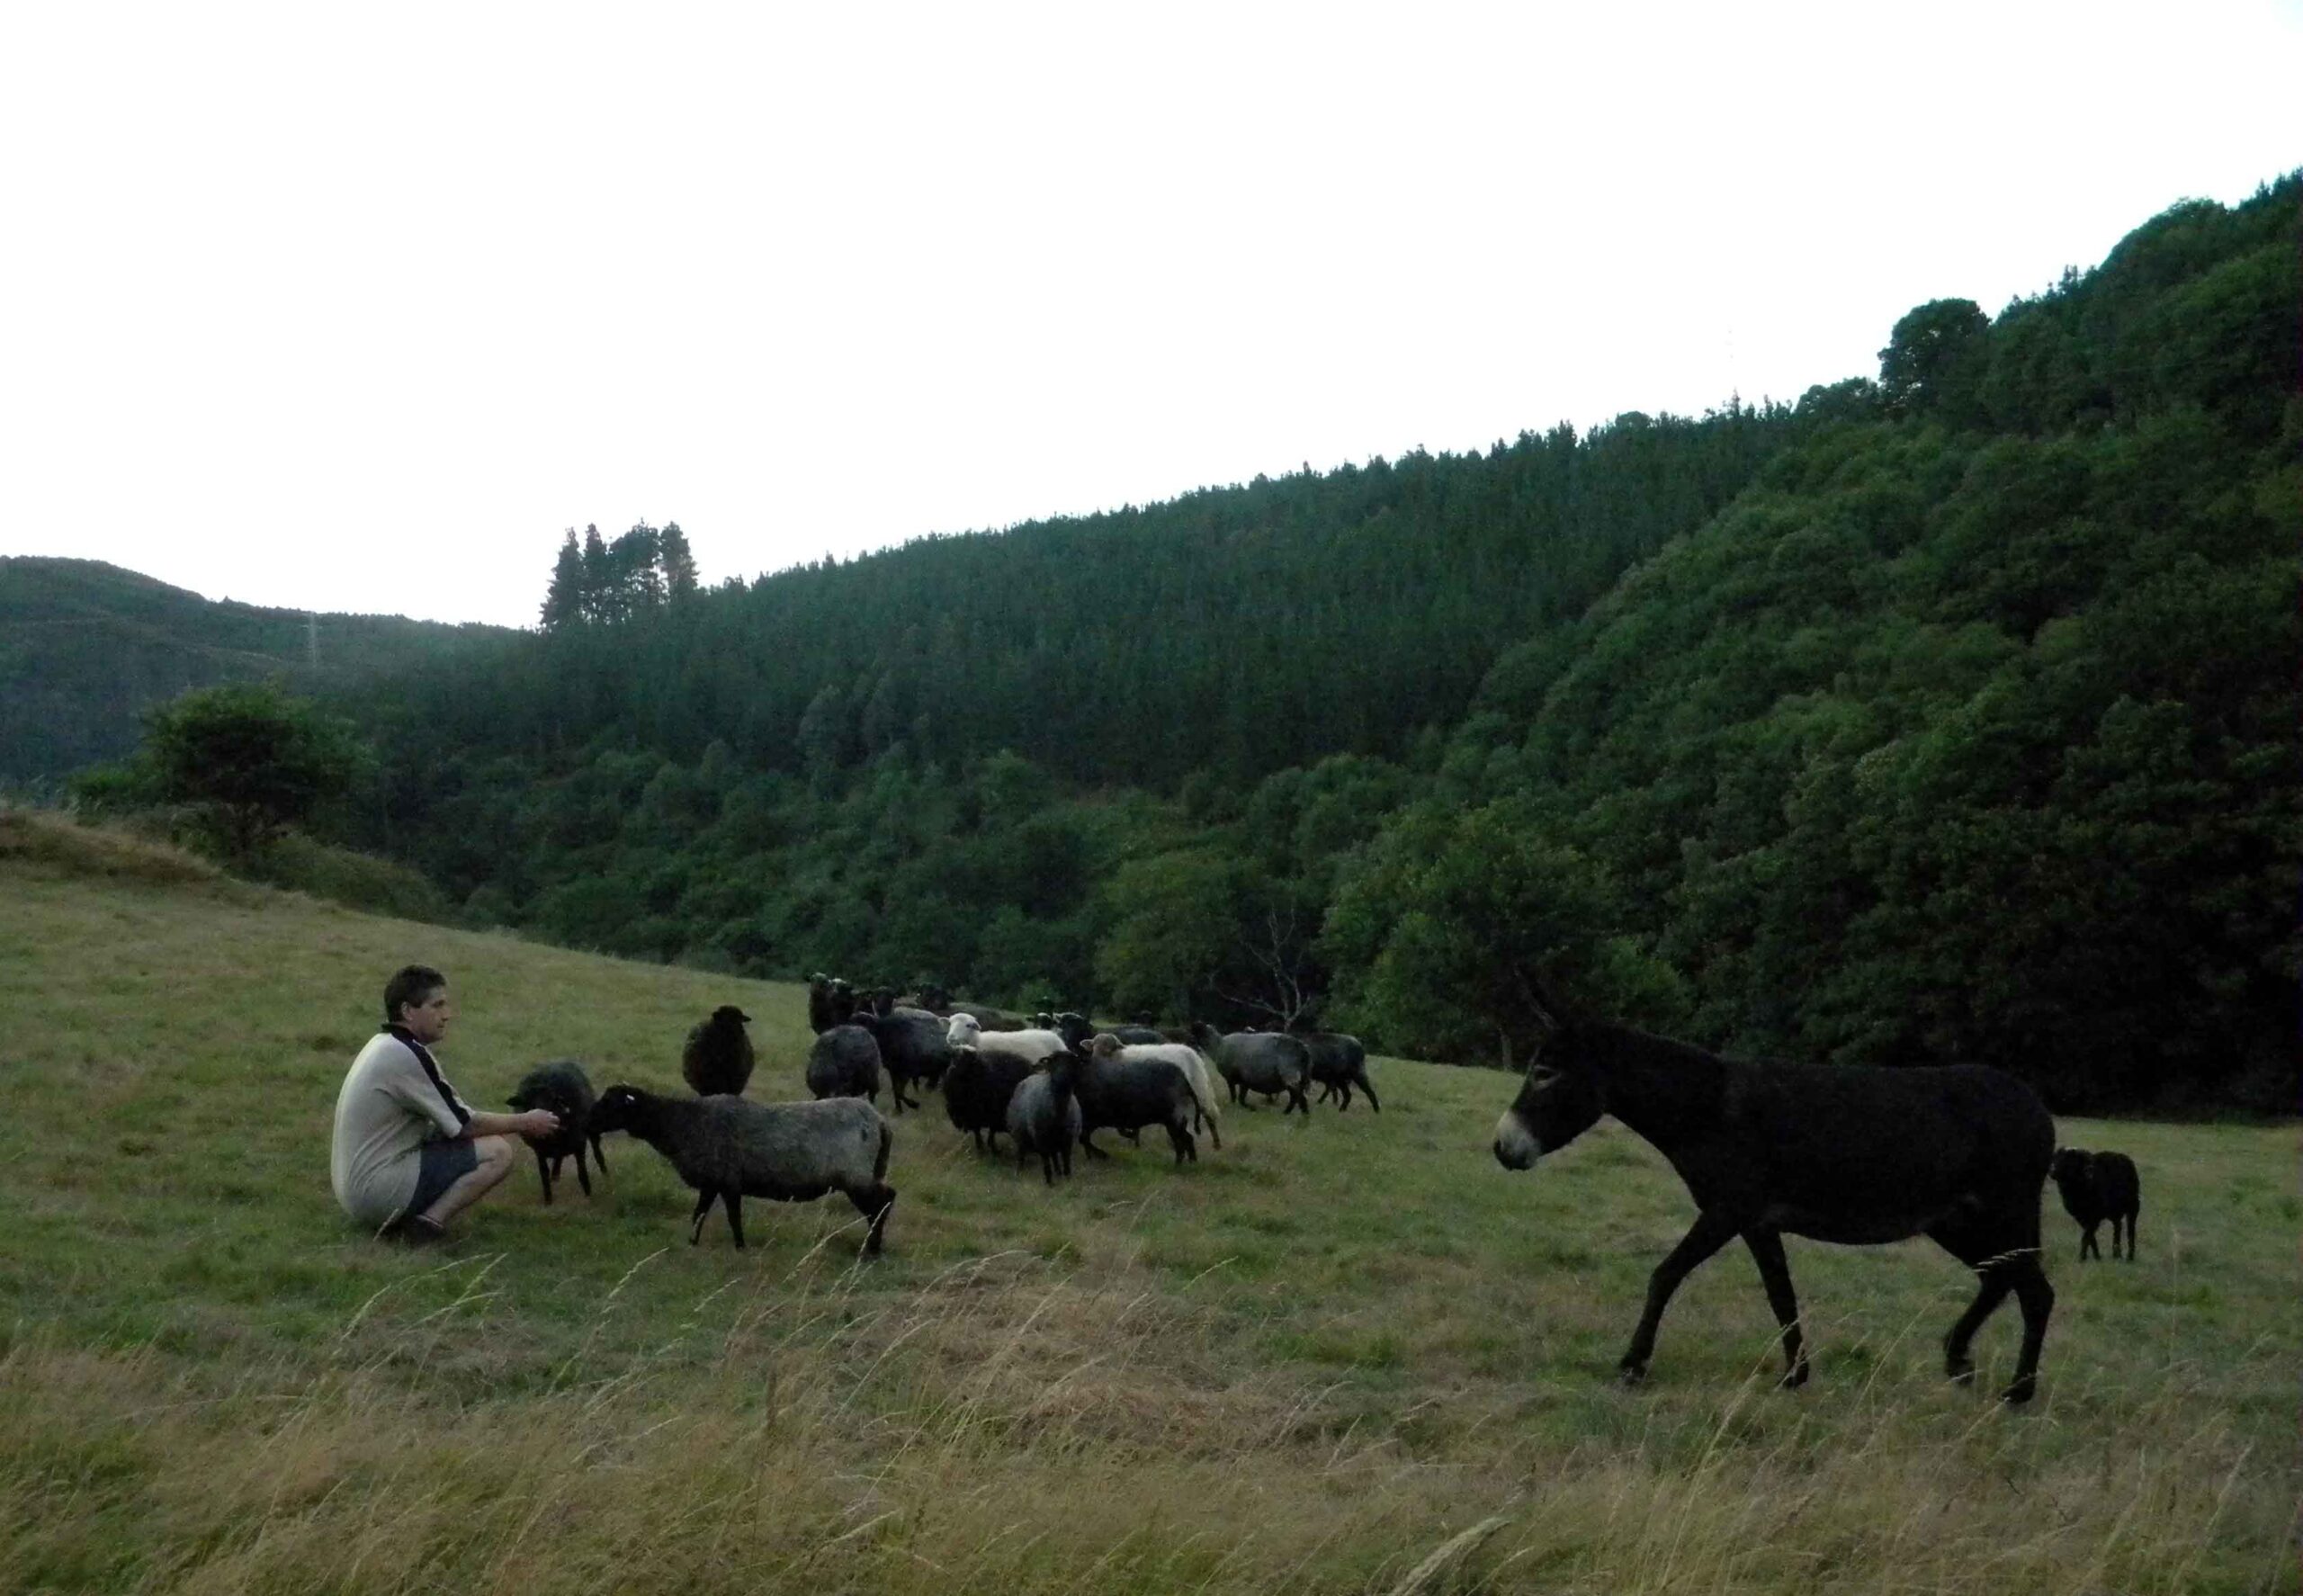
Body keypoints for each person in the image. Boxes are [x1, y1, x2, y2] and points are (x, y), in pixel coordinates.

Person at [330, 964, 558, 1241]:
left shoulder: (382, 1043)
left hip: (353, 1190)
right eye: (436, 1006)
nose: (447, 1015)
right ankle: (427, 1226)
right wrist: (526, 1121)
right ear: (407, 1011)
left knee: (448, 1139)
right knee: (498, 1151)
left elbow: (441, 1123)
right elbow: (465, 1124)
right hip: (374, 1193)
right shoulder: (406, 1054)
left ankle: (411, 1215)